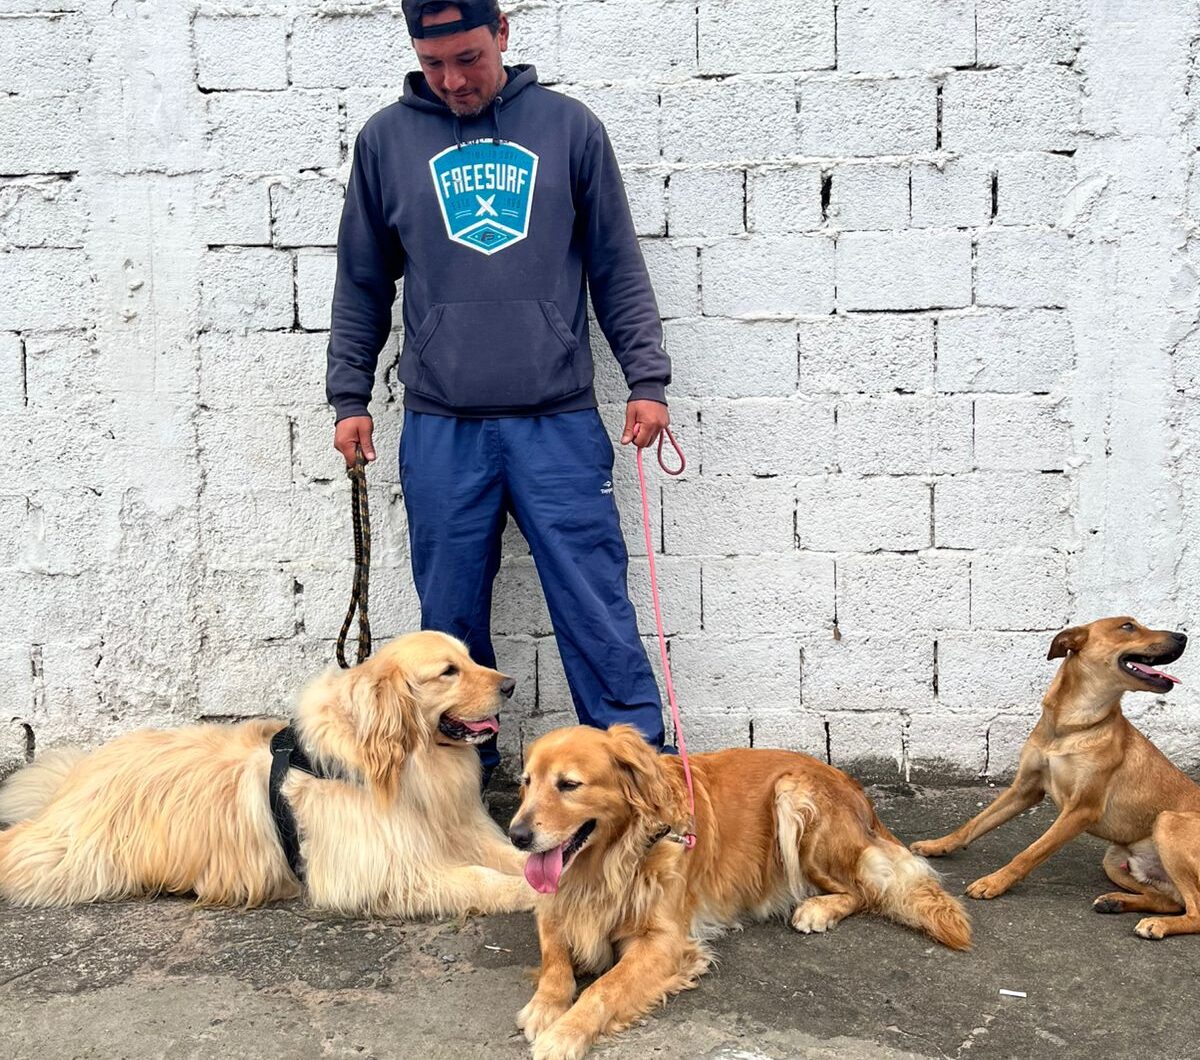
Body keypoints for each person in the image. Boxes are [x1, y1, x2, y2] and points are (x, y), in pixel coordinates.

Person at [326, 0, 672, 782]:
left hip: (556, 422)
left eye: (468, 59)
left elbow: (617, 264)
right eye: (433, 62)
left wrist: (645, 377)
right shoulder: (385, 141)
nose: (451, 79)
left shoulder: (568, 128)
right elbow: (361, 281)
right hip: (442, 427)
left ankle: (641, 780)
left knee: (594, 610)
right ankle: (459, 792)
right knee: (447, 631)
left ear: (503, 34)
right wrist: (349, 395)